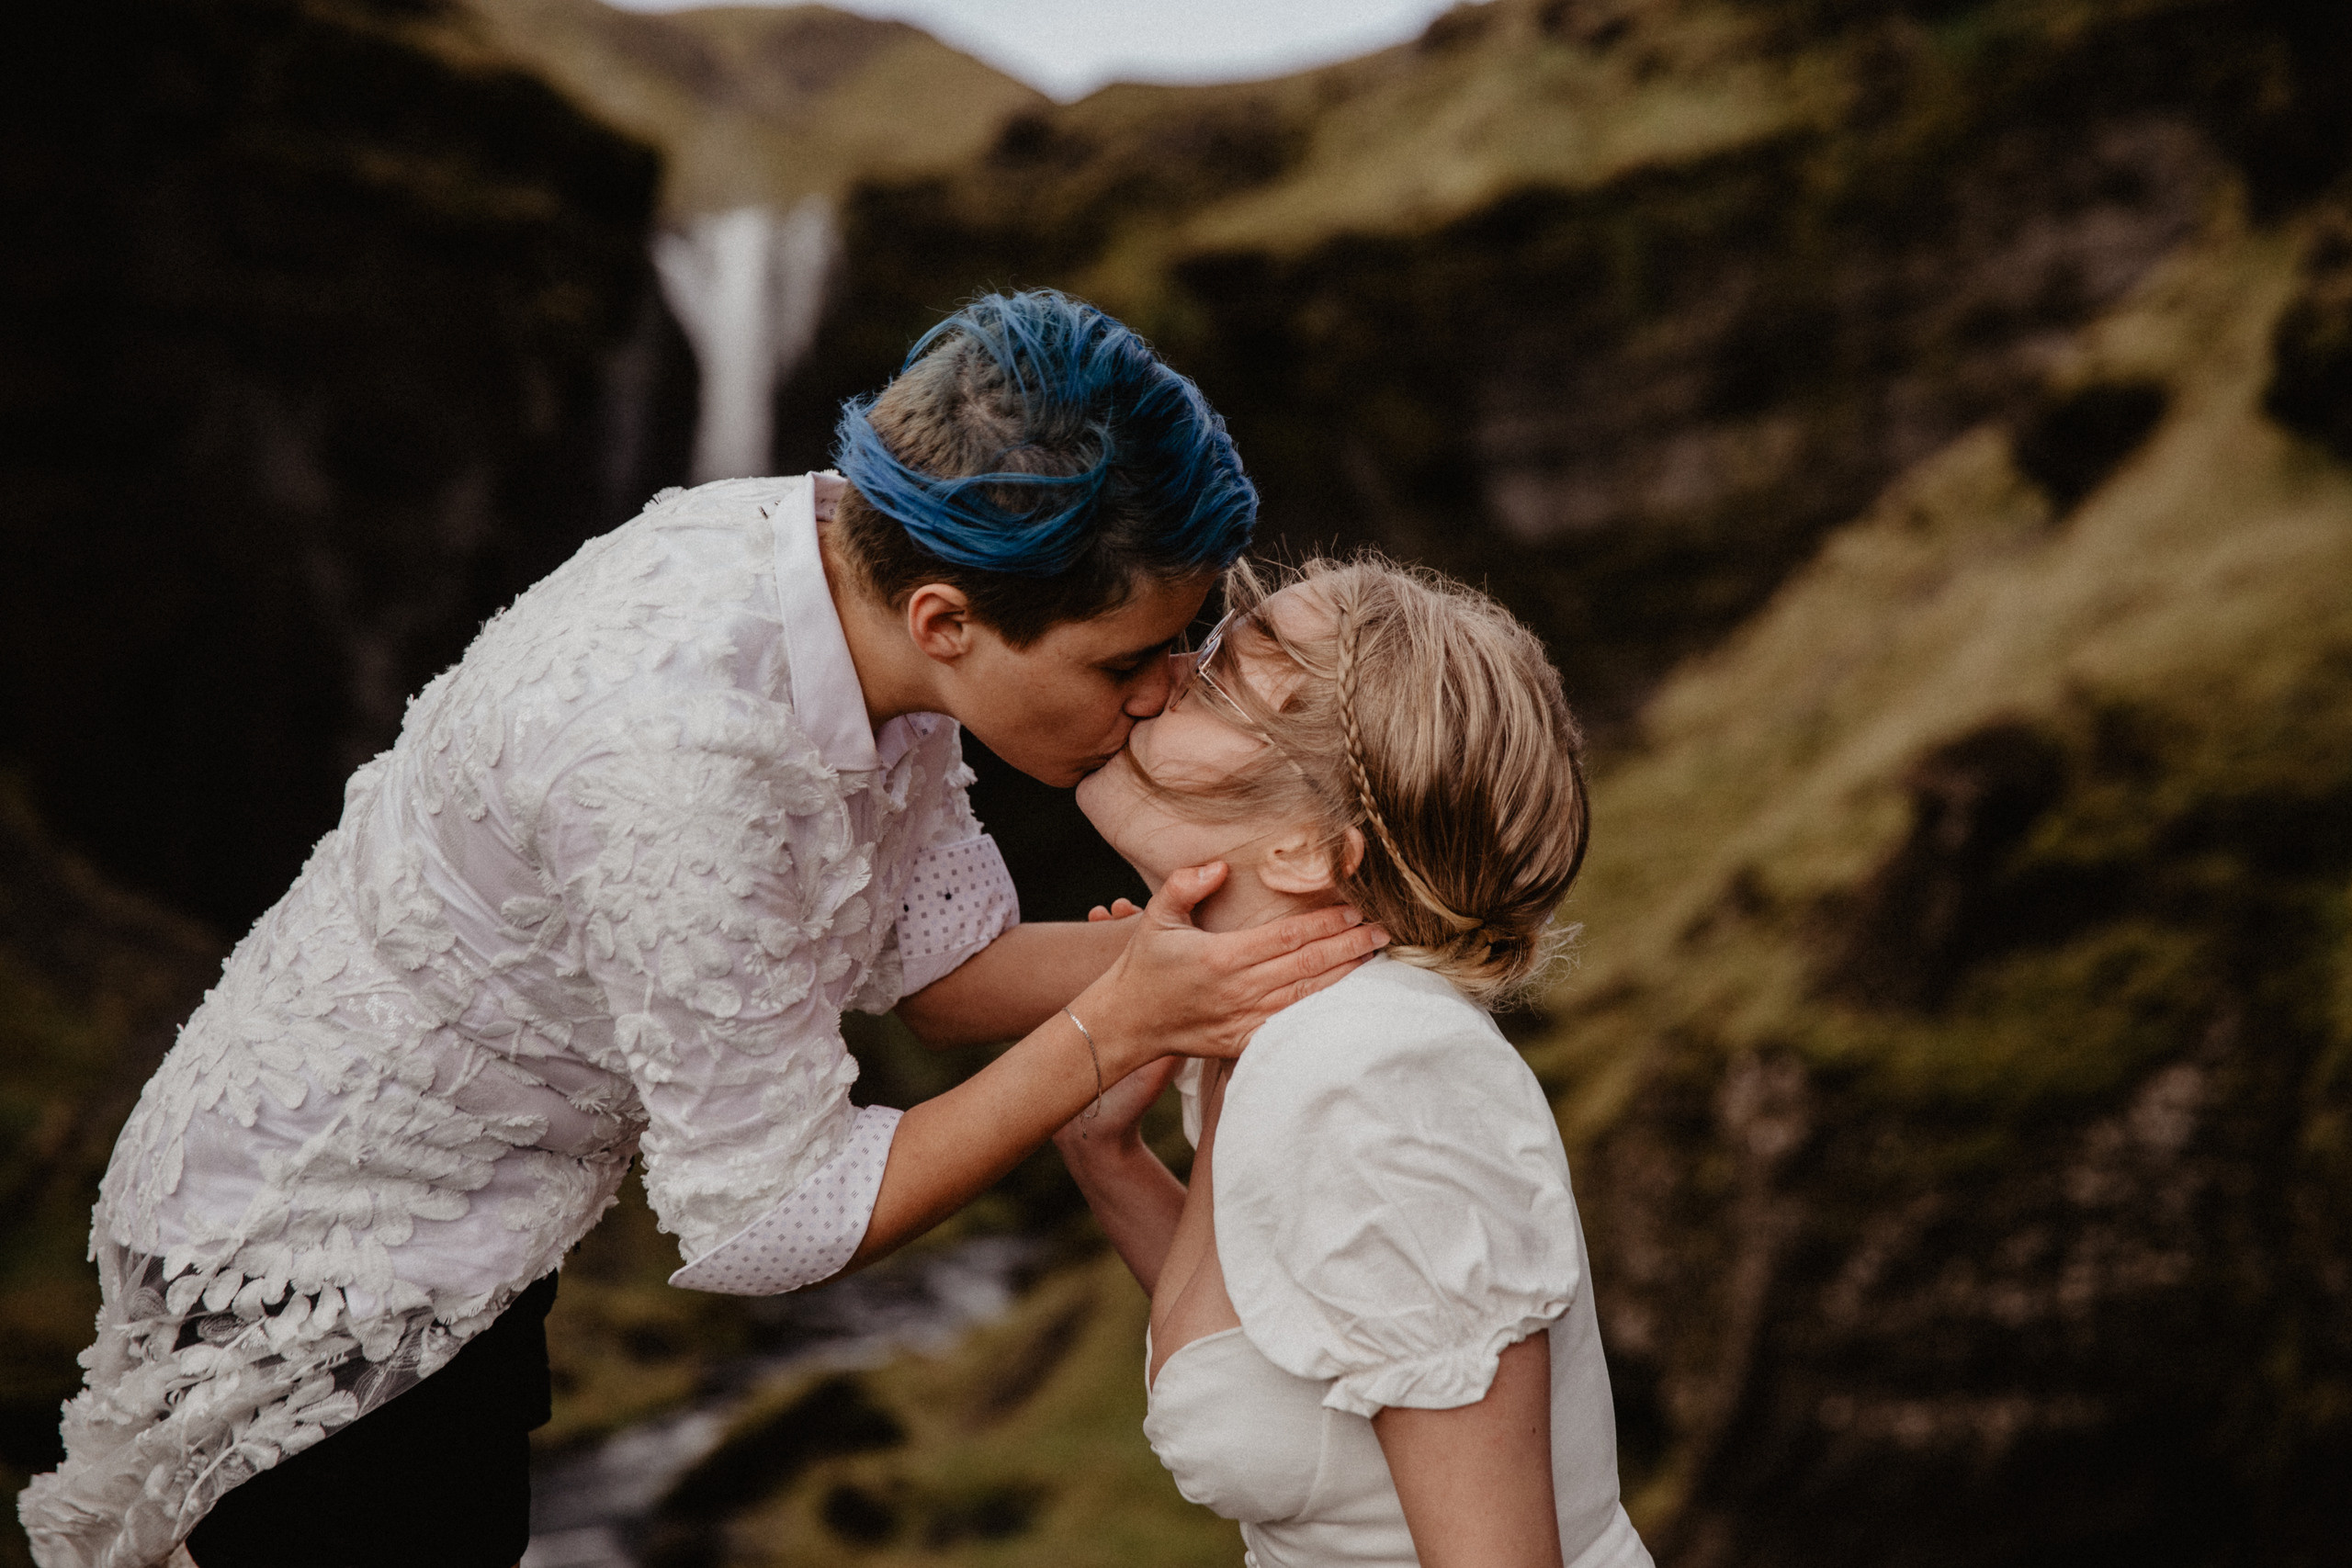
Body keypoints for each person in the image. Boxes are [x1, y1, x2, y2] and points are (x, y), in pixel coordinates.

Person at [19, 292, 1388, 1568]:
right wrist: (1118, 1028)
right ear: (949, 618)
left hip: (479, 1233)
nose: (1161, 697)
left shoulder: (849, 579)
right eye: (1125, 660)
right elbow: (764, 1219)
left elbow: (941, 972)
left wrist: (1242, 952)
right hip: (312, 1263)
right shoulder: (681, 750)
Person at [1057, 556, 1653, 1568]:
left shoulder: (1374, 1075)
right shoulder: (1281, 1029)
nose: (1155, 678)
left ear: (1305, 851)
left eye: (1214, 678)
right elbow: (1297, 1353)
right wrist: (1104, 1156)